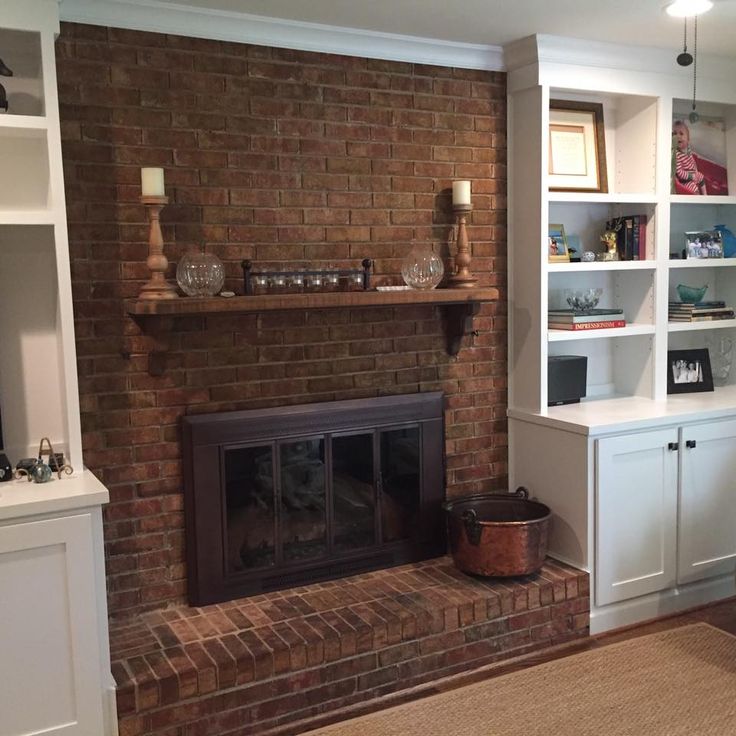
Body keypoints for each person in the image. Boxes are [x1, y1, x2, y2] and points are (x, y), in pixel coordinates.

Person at [673, 120, 707, 195]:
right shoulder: (676, 154)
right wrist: (692, 177)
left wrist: (696, 172)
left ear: (688, 140)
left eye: (681, 134)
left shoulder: (688, 149)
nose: (678, 136)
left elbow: (692, 161)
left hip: (693, 174)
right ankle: (697, 198)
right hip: (684, 181)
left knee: (701, 177)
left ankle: (705, 196)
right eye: (675, 134)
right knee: (693, 189)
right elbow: (679, 173)